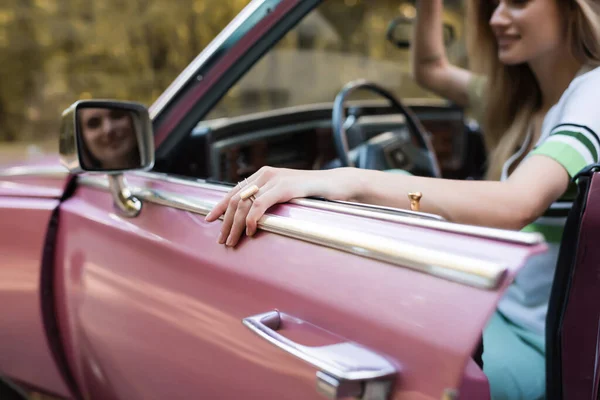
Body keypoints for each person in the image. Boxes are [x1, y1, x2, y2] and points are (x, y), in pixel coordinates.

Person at [206, 0, 600, 398]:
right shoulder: (524, 101)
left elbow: (517, 204)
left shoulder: (594, 91)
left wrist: (350, 180)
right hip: (494, 307)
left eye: (515, 2)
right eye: (492, 5)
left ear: (572, 9)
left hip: (535, 344)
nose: (497, 18)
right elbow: (431, 69)